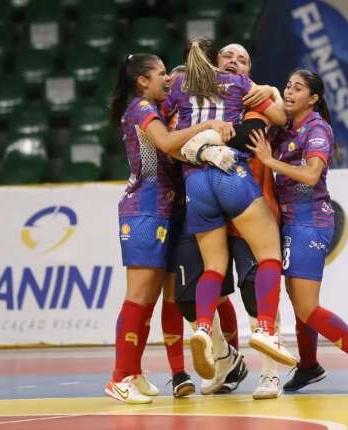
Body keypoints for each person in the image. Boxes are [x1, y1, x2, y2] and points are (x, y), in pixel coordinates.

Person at [248, 69, 348, 394]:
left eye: (297, 89)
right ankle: (309, 366)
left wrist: (270, 162)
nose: (289, 92)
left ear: (313, 98)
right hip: (290, 221)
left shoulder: (317, 128)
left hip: (310, 220)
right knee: (297, 299)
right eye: (288, 86)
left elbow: (312, 175)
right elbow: (267, 98)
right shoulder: (285, 125)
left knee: (306, 307)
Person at [162, 37, 297, 381]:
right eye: (228, 55)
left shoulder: (178, 84)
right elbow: (281, 117)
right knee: (268, 254)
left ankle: (204, 329)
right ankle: (265, 328)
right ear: (216, 60)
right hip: (230, 174)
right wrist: (270, 92)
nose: (235, 61)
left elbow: (165, 137)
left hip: (195, 182)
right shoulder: (240, 84)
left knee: (213, 266)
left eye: (242, 58)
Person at [104, 52, 235, 404]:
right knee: (138, 297)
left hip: (164, 211)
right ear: (142, 81)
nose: (167, 78)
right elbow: (164, 143)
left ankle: (133, 370)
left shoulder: (157, 108)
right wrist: (207, 126)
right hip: (144, 211)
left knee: (149, 301)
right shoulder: (141, 108)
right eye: (161, 73)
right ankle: (119, 377)